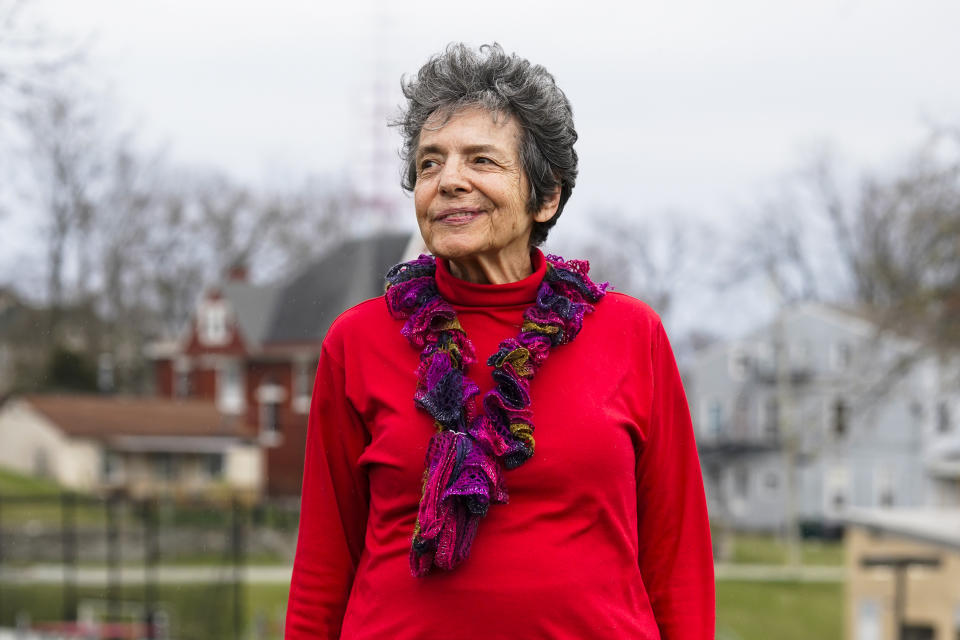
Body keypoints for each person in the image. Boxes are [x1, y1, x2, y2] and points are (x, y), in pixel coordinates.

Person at [286, 43, 714, 639]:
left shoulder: (631, 334)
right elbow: (322, 568)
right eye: (430, 163)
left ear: (546, 196)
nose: (449, 180)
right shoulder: (357, 340)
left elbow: (677, 559)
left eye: (481, 160)